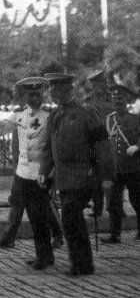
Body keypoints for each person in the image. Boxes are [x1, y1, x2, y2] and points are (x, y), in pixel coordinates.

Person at [40, 72, 107, 276]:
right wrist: (44, 172)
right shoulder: (56, 115)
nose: (51, 94)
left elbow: (102, 145)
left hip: (83, 176)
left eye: (55, 90)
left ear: (68, 90)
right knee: (71, 219)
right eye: (51, 91)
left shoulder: (87, 112)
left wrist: (103, 176)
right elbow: (48, 148)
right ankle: (82, 263)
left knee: (70, 215)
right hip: (63, 177)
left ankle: (80, 263)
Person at [0, 77, 56, 270]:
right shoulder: (18, 116)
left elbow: (53, 146)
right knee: (22, 210)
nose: (34, 98)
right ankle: (39, 253)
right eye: (30, 94)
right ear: (25, 96)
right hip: (22, 173)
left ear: (42, 94)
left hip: (39, 174)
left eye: (37, 94)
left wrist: (51, 172)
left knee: (39, 217)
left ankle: (45, 256)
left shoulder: (50, 116)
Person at [101, 84, 140, 244]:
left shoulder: (136, 119)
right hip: (115, 168)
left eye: (120, 99)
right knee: (113, 202)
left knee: (138, 200)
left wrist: (137, 147)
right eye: (115, 99)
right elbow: (104, 144)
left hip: (133, 167)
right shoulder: (109, 120)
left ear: (127, 100)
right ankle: (115, 234)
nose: (117, 102)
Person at [85, 69, 115, 218]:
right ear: (93, 85)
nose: (102, 85)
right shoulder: (88, 100)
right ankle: (97, 208)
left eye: (104, 82)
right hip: (95, 143)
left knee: (111, 176)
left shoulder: (113, 98)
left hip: (111, 142)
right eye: (98, 83)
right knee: (95, 178)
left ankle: (113, 207)